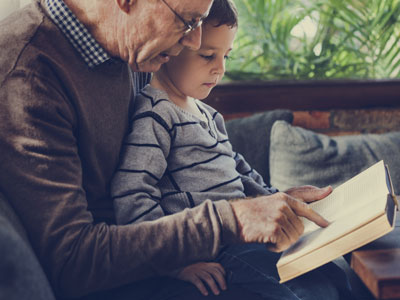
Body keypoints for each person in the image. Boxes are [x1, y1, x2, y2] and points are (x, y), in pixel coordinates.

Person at [0, 0, 348, 299]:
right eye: (187, 20)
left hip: (170, 251)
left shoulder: (130, 46)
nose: (192, 41)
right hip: (126, 277)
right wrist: (230, 219)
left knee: (327, 273)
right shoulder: (28, 74)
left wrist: (276, 201)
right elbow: (72, 261)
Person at [110, 1, 351, 299]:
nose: (220, 68)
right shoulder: (156, 114)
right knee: (304, 294)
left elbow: (242, 172)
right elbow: (132, 194)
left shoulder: (209, 115)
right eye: (208, 55)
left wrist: (281, 199)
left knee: (332, 273)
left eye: (226, 56)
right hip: (217, 249)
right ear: (173, 47)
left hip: (247, 237)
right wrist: (175, 264)